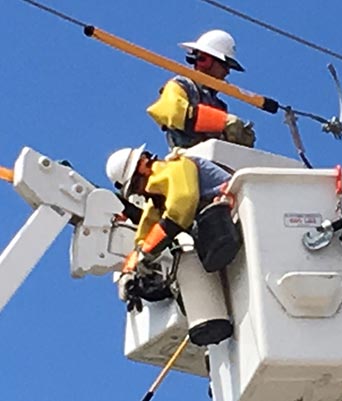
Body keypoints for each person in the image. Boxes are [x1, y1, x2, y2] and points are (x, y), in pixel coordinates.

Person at [105, 144, 237, 347]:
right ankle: (207, 318)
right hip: (220, 228)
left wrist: (146, 252)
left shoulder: (177, 167)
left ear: (143, 164)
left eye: (137, 184)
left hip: (232, 213)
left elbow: (181, 206)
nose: (141, 191)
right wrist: (130, 271)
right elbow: (145, 236)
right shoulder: (158, 200)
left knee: (189, 251)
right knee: (185, 259)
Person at [146, 29, 256, 149]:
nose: (227, 72)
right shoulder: (181, 85)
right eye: (225, 65)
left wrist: (238, 139)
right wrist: (223, 122)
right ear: (206, 61)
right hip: (187, 159)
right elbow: (173, 112)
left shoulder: (218, 105)